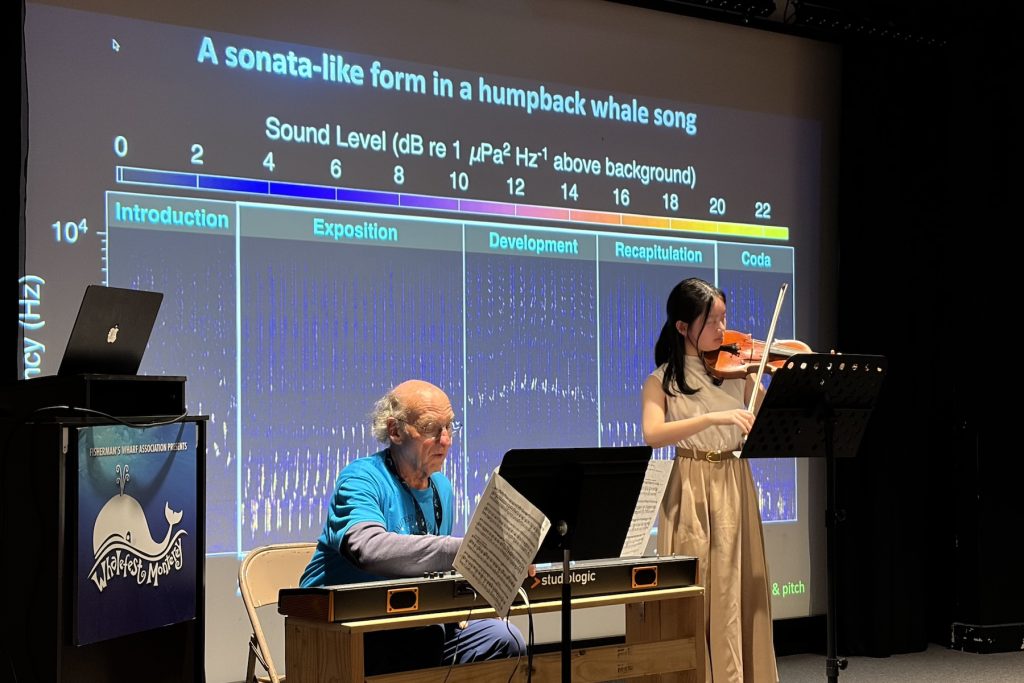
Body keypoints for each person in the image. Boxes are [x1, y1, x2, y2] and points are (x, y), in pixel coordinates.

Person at [300, 379, 525, 675]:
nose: (445, 441)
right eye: (432, 428)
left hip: (412, 624)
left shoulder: (441, 487)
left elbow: (432, 568)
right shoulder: (361, 478)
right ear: (395, 431)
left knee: (505, 638)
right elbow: (368, 549)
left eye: (449, 427)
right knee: (422, 641)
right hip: (343, 629)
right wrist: (469, 550)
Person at [641, 277, 778, 682]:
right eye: (713, 321)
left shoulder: (737, 372)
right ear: (683, 327)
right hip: (691, 483)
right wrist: (715, 417)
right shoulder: (661, 380)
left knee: (737, 592)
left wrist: (770, 374)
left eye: (724, 319)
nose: (723, 330)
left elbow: (769, 417)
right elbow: (653, 434)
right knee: (702, 593)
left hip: (734, 479)